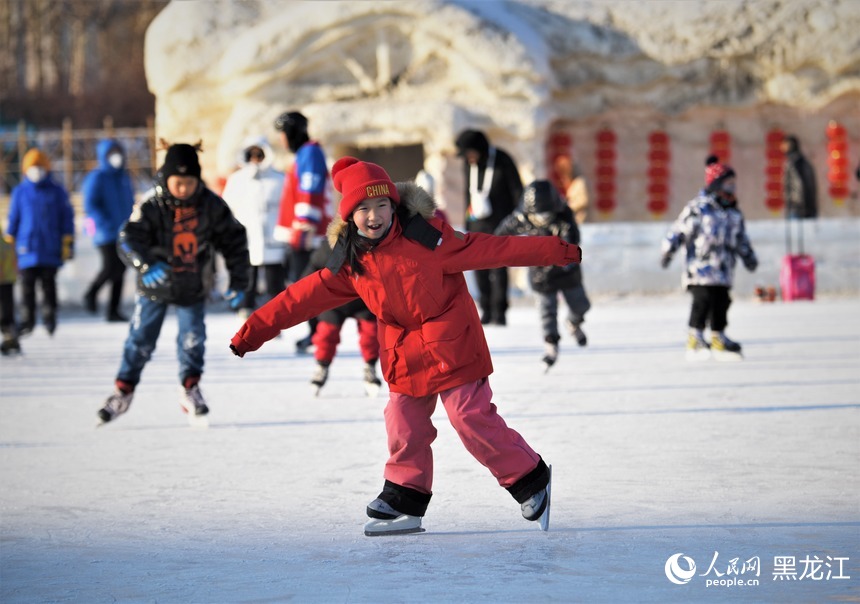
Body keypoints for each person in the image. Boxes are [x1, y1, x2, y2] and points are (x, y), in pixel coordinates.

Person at [230, 157, 582, 535]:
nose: (374, 215)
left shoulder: (429, 238)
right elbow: (301, 297)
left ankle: (530, 479)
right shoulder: (352, 260)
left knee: (469, 417)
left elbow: (493, 249)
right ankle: (405, 497)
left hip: (452, 340)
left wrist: (556, 250)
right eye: (363, 208)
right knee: (402, 422)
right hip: (403, 350)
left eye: (382, 204)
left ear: (394, 206)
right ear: (349, 216)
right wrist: (252, 332)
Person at [96, 142, 250, 426]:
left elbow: (235, 242)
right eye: (177, 182)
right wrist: (145, 264)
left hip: (192, 285)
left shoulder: (211, 205)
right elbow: (127, 238)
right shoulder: (152, 204)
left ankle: (190, 388)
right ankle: (123, 390)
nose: (183, 189)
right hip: (154, 286)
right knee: (140, 339)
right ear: (166, 178)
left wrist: (240, 281)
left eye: (189, 182)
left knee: (193, 340)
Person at [661, 160, 758, 361]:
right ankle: (694, 338)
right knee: (702, 301)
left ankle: (717, 338)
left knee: (722, 302)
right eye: (728, 182)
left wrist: (748, 256)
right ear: (716, 184)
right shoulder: (699, 208)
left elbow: (740, 238)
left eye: (733, 182)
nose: (732, 187)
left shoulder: (733, 212)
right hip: (700, 268)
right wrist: (668, 250)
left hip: (723, 269)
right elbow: (679, 230)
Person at [495, 180, 590, 369]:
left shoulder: (563, 215)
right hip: (540, 275)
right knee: (547, 312)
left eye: (546, 212)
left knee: (581, 304)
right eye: (538, 213)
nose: (542, 217)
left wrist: (565, 258)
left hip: (566, 270)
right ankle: (551, 345)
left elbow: (572, 239)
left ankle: (573, 322)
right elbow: (498, 237)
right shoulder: (520, 218)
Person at [273, 111, 331, 352]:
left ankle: (319, 334)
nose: (282, 141)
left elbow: (310, 189)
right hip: (305, 233)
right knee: (306, 286)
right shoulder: (306, 153)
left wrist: (304, 225)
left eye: (283, 135)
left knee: (309, 287)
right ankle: (316, 332)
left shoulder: (309, 152)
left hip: (309, 235)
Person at [455, 129, 523, 326]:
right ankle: (485, 308)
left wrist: (517, 221)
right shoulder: (469, 165)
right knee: (479, 268)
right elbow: (468, 195)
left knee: (499, 267)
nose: (468, 158)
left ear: (479, 149)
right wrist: (466, 223)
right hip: (477, 223)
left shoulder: (502, 160)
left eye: (469, 153)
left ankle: (499, 311)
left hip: (501, 223)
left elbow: (517, 190)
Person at [5, 149, 75, 336]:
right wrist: (8, 240)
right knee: (27, 284)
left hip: (50, 244)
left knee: (48, 282)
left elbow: (66, 217)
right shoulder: (20, 192)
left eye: (40, 167)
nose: (37, 171)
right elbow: (14, 218)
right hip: (26, 246)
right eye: (33, 167)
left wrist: (68, 240)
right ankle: (27, 318)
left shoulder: (57, 191)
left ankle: (50, 314)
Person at [300, 239, 382, 397]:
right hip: (335, 300)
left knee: (371, 334)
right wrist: (306, 289)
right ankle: (321, 366)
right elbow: (314, 266)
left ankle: (370, 367)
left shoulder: (373, 242)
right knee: (326, 334)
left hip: (363, 299)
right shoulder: (332, 242)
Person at [221, 136, 286, 316]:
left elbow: (288, 207)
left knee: (275, 280)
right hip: (247, 237)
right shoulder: (237, 180)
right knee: (248, 277)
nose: (255, 158)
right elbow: (226, 208)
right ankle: (246, 309)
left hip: (273, 237)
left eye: (259, 154)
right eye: (252, 154)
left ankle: (278, 312)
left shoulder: (279, 179)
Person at [82, 139, 136, 322]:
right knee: (110, 266)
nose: (116, 157)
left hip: (123, 231)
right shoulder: (97, 177)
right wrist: (104, 222)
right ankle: (91, 293)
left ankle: (113, 310)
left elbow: (128, 202)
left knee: (120, 269)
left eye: (118, 152)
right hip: (105, 232)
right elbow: (90, 204)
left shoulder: (123, 177)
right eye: (111, 153)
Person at [781, 135, 818, 220]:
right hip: (799, 207)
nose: (782, 147)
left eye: (784, 144)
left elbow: (801, 185)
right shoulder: (794, 162)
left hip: (799, 207)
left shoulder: (797, 164)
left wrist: (798, 203)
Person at [0, 227, 21, 355]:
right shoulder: (8, 244)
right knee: (7, 313)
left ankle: (10, 337)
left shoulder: (7, 244)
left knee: (6, 313)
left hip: (6, 281)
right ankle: (11, 336)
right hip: (7, 281)